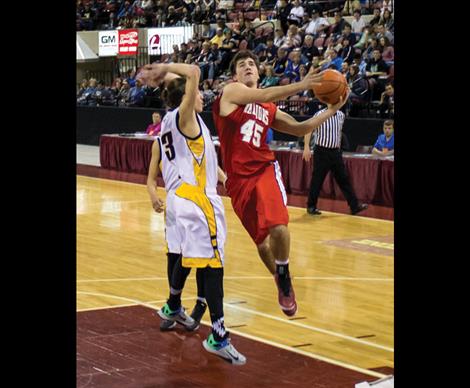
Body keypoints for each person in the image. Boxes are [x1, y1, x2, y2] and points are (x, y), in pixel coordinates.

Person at [212, 50, 349, 317]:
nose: (248, 67)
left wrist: (331, 109)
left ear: (259, 72)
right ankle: (279, 277)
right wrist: (302, 85)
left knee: (278, 226)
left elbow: (301, 127)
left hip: (264, 169)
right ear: (235, 76)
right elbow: (263, 95)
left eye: (252, 63)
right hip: (238, 181)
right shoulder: (230, 94)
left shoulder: (268, 108)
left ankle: (284, 271)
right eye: (242, 65)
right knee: (262, 243)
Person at [140, 62, 246, 365]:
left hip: (186, 200)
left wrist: (225, 177)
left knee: (197, 261)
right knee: (213, 266)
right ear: (188, 95)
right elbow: (195, 71)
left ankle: (178, 306)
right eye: (197, 93)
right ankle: (218, 334)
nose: (202, 96)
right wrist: (164, 68)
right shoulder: (184, 118)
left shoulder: (175, 123)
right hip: (196, 201)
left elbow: (203, 159)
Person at [302, 107, 368, 215]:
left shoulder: (341, 115)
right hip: (321, 151)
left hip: (335, 152)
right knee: (317, 180)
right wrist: (306, 147)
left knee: (344, 179)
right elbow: (309, 128)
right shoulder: (319, 114)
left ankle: (354, 206)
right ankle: (311, 206)